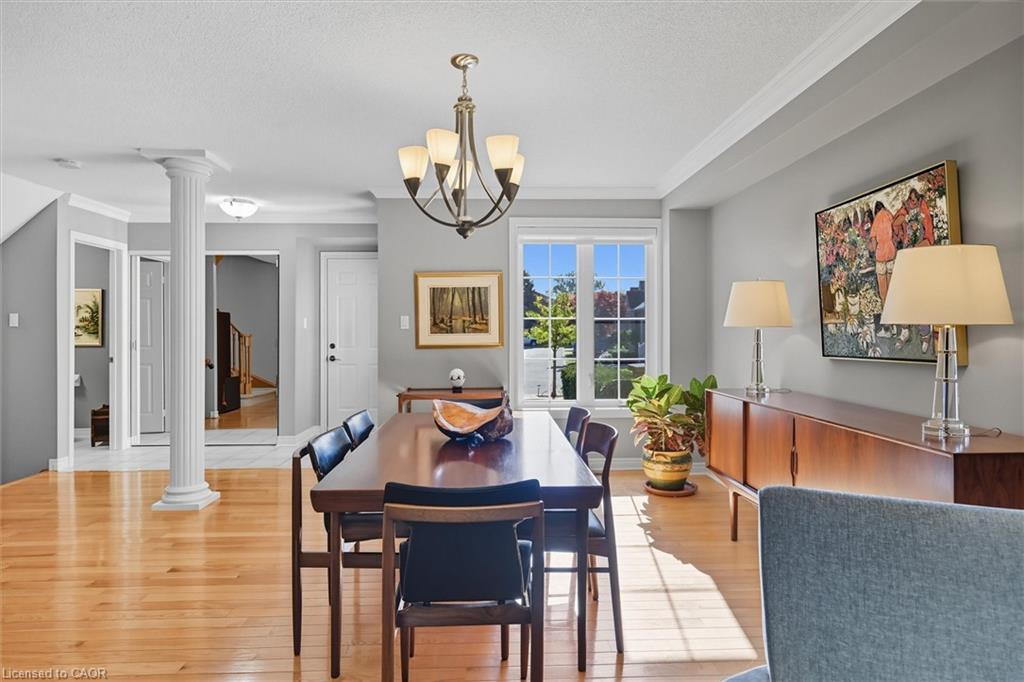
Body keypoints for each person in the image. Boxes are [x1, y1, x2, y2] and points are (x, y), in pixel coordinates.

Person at [868, 200, 896, 303]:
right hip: (891, 251)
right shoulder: (889, 215)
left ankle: (885, 309)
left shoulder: (877, 218)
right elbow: (895, 231)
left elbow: (874, 239)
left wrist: (875, 250)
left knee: (882, 287)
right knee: (891, 283)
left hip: (880, 253)